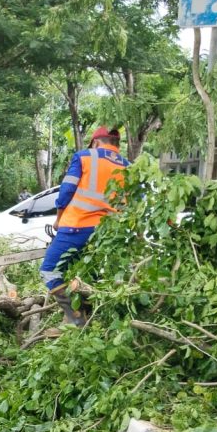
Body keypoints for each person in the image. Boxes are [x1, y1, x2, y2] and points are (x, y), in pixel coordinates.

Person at [40, 126, 130, 326]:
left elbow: (67, 190)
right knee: (90, 273)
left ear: (96, 142)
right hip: (108, 232)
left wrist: (59, 219)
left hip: (77, 225)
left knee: (49, 270)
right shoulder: (128, 166)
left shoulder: (84, 157)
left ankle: (76, 318)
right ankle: (91, 318)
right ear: (117, 145)